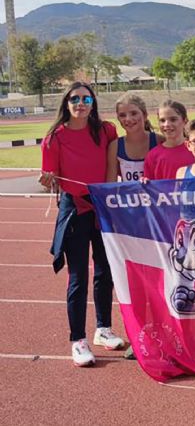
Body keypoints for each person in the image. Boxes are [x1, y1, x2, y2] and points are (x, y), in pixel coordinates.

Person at [39, 82, 125, 367]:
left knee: (105, 270)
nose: (80, 102)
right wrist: (48, 180)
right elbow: (51, 176)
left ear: (93, 102)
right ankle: (78, 340)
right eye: (74, 98)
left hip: (102, 205)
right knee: (78, 277)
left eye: (86, 98)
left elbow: (112, 167)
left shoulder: (107, 130)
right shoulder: (54, 137)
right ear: (66, 103)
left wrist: (109, 199)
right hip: (74, 209)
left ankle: (103, 328)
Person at [107, 93, 161, 182]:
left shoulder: (160, 141)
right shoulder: (115, 147)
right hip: (127, 196)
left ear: (145, 115)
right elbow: (110, 186)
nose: (128, 119)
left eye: (134, 113)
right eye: (122, 115)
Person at [143, 100, 194, 180]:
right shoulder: (153, 155)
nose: (167, 124)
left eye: (173, 119)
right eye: (162, 120)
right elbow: (149, 187)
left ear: (185, 121)